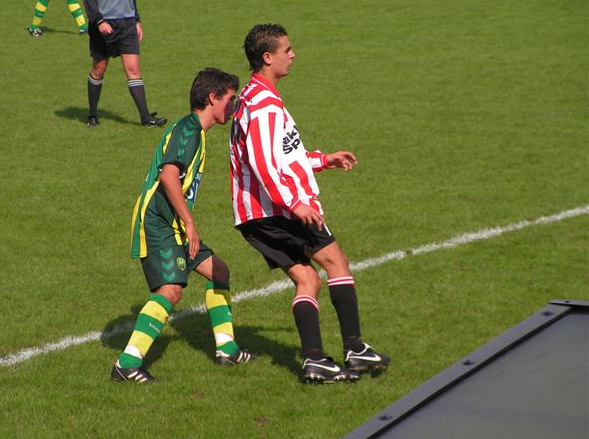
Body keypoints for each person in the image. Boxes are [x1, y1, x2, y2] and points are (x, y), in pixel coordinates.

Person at [229, 24, 390, 384]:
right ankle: (355, 349)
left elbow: (284, 154)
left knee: (307, 279)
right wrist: (294, 203)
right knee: (336, 261)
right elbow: (262, 161)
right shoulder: (263, 105)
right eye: (286, 49)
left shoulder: (255, 97)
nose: (292, 54)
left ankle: (315, 360)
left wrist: (322, 159)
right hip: (278, 209)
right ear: (267, 57)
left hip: (255, 212)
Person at [112, 68, 255, 383]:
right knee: (171, 291)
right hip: (159, 221)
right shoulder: (189, 130)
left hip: (175, 222)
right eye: (230, 99)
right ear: (212, 98)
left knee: (219, 272)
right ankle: (126, 363)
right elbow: (168, 175)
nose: (232, 107)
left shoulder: (196, 133)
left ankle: (226, 350)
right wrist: (190, 222)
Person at [82, 0, 166, 127]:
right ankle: (92, 115)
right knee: (99, 70)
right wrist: (99, 21)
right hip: (103, 25)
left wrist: (136, 19)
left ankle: (146, 118)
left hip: (127, 25)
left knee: (133, 69)